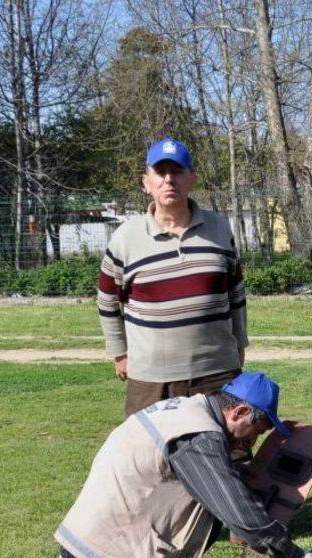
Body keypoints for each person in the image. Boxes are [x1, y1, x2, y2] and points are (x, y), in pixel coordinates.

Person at [15, 372, 312, 558]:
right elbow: (239, 515)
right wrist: (293, 557)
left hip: (92, 545)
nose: (258, 438)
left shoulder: (189, 412)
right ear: (240, 412)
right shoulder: (199, 438)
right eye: (261, 428)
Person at [98, 136, 248, 417]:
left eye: (177, 171)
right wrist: (120, 353)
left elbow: (236, 294)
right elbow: (107, 302)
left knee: (227, 458)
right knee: (152, 459)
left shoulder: (219, 229)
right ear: (146, 181)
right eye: (161, 172)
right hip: (152, 380)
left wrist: (240, 342)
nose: (169, 180)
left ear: (192, 179)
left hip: (217, 373)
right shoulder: (125, 238)